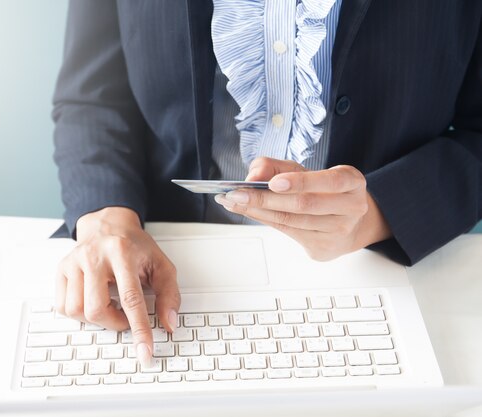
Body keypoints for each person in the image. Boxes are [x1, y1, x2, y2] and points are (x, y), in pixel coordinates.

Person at [51, 0, 482, 366]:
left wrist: (378, 212)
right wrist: (107, 218)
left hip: (381, 269)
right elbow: (92, 96)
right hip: (158, 254)